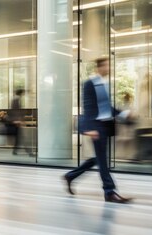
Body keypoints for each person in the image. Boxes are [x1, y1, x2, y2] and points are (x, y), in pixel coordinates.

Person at [63, 58, 132, 203]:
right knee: (102, 160)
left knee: (99, 159)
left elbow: (108, 108)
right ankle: (109, 191)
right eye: (106, 65)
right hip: (97, 126)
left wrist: (125, 114)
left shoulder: (105, 84)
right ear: (99, 68)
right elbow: (87, 107)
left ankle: (71, 176)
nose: (108, 68)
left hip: (106, 125)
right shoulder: (90, 84)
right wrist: (90, 128)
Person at [10, 89, 32, 155]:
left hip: (17, 121)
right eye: (23, 93)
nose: (23, 95)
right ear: (20, 93)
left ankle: (15, 151)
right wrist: (19, 120)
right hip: (17, 122)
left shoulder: (16, 99)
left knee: (19, 137)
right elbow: (15, 111)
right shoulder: (16, 100)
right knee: (22, 137)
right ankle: (29, 151)